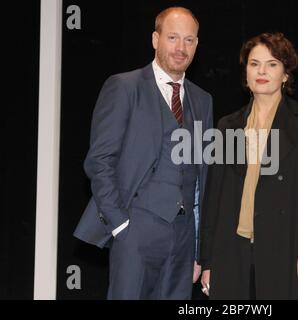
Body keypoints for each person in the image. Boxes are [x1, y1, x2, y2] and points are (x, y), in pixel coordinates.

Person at [74, 7, 213, 300]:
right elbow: (99, 161)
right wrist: (121, 225)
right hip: (135, 229)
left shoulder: (203, 100)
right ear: (155, 39)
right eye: (173, 37)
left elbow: (202, 178)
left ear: (197, 45)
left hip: (184, 238)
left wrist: (200, 248)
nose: (181, 48)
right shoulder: (124, 87)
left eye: (189, 40)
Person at [199, 32, 298, 299]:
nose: (262, 71)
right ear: (246, 73)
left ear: (285, 74)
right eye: (254, 64)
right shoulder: (227, 126)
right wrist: (208, 261)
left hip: (287, 248)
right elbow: (214, 199)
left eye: (272, 64)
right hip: (233, 253)